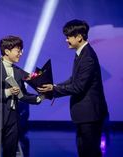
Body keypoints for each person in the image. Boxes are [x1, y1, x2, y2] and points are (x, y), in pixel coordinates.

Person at [38, 19, 109, 157]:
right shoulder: (82, 54)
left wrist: (53, 90)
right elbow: (74, 79)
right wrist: (54, 86)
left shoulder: (87, 56)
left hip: (90, 115)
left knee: (90, 152)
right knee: (84, 151)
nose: (66, 40)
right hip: (86, 115)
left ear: (79, 37)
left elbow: (78, 87)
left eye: (68, 37)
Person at [0, 35, 43, 157]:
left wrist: (40, 97)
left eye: (21, 50)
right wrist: (7, 92)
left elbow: (22, 95)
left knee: (10, 153)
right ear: (7, 51)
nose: (20, 53)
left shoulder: (19, 71)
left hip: (13, 119)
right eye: (18, 50)